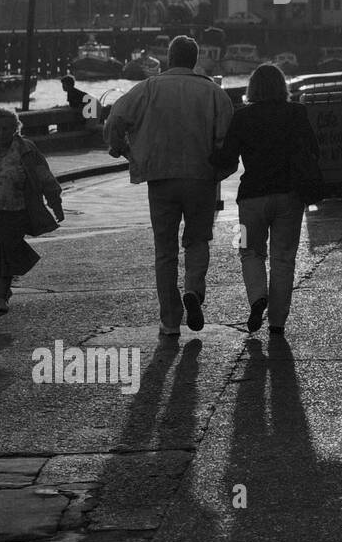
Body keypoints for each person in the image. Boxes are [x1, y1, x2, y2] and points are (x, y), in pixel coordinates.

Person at [104, 35, 234, 337]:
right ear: (194, 60)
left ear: (169, 59)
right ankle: (193, 288)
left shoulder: (148, 88)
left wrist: (120, 149)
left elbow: (116, 118)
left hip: (160, 177)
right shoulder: (214, 93)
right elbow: (226, 137)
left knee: (165, 250)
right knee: (198, 240)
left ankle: (170, 321)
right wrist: (219, 171)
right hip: (201, 177)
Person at [209, 63, 320, 335]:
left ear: (252, 88)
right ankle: (278, 323)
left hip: (250, 201)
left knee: (248, 251)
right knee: (283, 258)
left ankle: (258, 297)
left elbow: (228, 158)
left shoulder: (242, 117)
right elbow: (313, 151)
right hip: (289, 197)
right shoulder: (297, 113)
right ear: (282, 87)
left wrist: (206, 152)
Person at [0, 107, 64, 313]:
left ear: (16, 128)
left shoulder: (26, 149)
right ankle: (5, 288)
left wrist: (55, 204)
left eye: (6, 128)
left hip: (15, 212)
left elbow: (45, 177)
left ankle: (0, 298)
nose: (1, 133)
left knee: (3, 252)